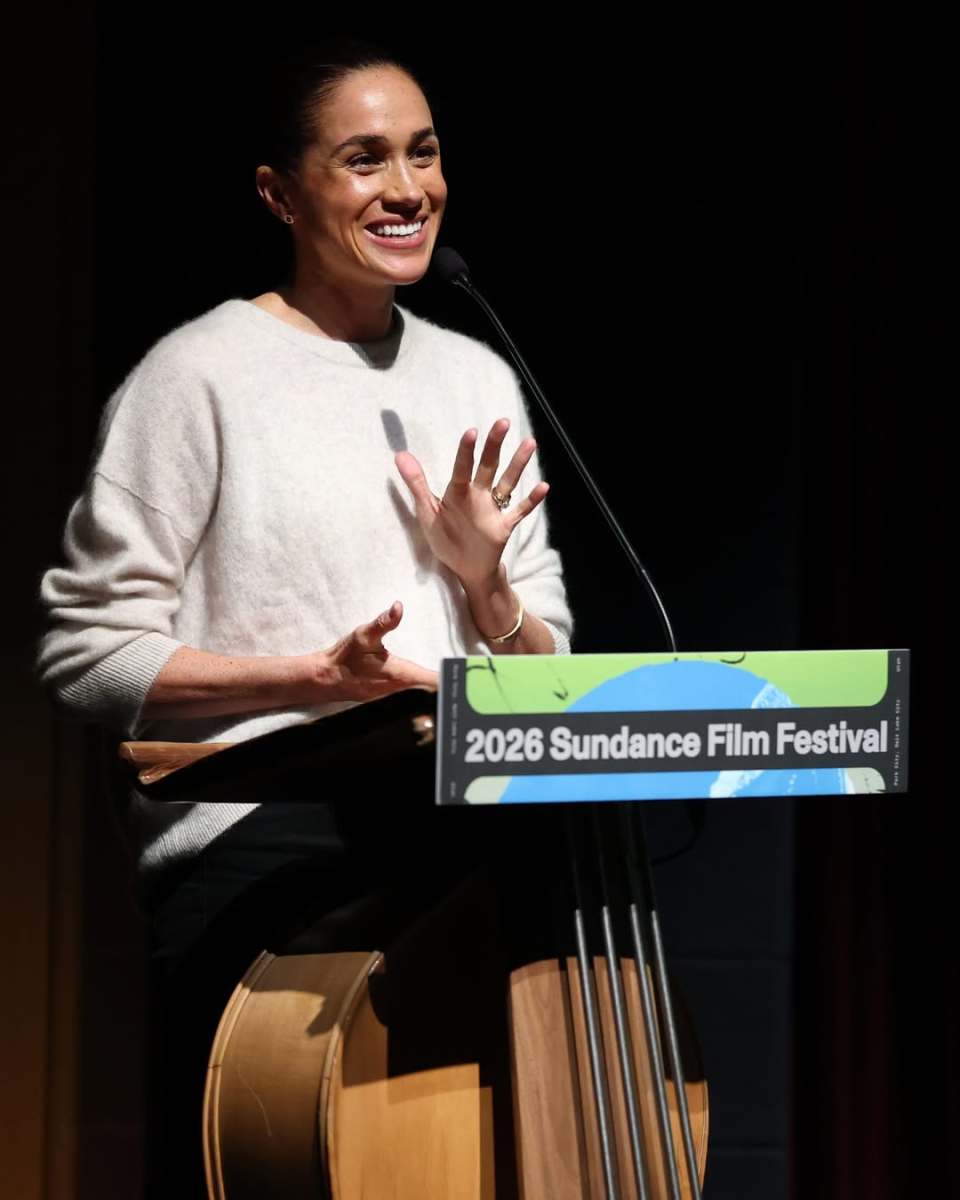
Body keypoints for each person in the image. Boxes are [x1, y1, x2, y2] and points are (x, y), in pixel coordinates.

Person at [36, 38, 572, 1197]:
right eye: (363, 158)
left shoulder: (476, 376)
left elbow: (548, 671)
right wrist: (314, 683)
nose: (407, 188)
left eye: (423, 155)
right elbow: (84, 656)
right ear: (280, 193)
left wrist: (488, 594)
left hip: (457, 835)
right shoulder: (198, 378)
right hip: (266, 857)